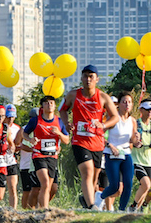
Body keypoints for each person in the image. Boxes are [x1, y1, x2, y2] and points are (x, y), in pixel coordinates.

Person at [59, 64, 119, 211]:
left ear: (97, 79)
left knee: (94, 178)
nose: (88, 79)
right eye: (85, 76)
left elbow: (115, 117)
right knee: (87, 171)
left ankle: (86, 201)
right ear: (81, 78)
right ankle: (92, 206)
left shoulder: (103, 97)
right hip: (79, 141)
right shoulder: (73, 95)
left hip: (97, 142)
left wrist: (103, 125)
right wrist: (66, 124)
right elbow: (62, 110)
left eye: (91, 76)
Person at [92, 92, 137, 212]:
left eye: (129, 102)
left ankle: (121, 210)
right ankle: (100, 196)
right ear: (118, 104)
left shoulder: (132, 121)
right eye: (124, 102)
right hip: (112, 154)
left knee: (128, 184)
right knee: (114, 186)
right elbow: (100, 134)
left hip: (126, 153)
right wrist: (110, 145)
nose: (127, 104)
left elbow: (133, 140)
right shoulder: (114, 118)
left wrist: (137, 139)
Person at [23, 95, 69, 208]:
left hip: (52, 156)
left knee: (49, 187)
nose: (49, 105)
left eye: (51, 103)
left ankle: (42, 208)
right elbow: (24, 133)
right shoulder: (35, 120)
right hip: (39, 155)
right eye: (46, 103)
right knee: (45, 183)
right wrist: (30, 139)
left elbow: (67, 140)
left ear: (55, 106)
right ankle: (44, 209)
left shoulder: (59, 121)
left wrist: (59, 133)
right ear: (42, 107)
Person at [130, 99, 151, 212]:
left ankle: (136, 211)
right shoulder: (135, 124)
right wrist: (135, 142)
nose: (149, 112)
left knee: (146, 188)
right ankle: (133, 206)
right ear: (141, 110)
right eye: (147, 109)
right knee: (146, 184)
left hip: (149, 161)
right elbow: (129, 139)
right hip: (136, 159)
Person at [15, 108, 37, 209]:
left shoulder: (41, 128)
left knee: (36, 189)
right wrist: (33, 149)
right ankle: (24, 210)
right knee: (27, 191)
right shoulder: (23, 129)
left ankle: (34, 208)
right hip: (26, 164)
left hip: (37, 164)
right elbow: (17, 144)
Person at [2, 104, 22, 210]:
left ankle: (13, 210)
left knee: (13, 188)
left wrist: (15, 148)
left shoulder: (17, 128)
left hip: (11, 160)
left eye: (12, 117)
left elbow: (18, 145)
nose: (10, 119)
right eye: (8, 116)